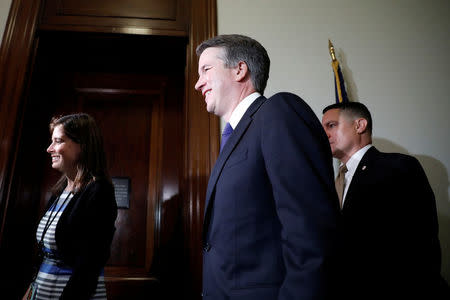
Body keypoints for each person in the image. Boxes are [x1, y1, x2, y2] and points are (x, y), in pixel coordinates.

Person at [195, 34, 340, 299]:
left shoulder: (278, 112)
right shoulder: (235, 137)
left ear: (240, 69)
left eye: (206, 69)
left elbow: (310, 234)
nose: (197, 83)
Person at [321, 102, 447, 299]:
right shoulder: (330, 182)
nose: (324, 134)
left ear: (359, 125)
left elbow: (420, 242)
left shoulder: (398, 167)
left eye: (331, 125)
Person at [23, 113, 118, 300]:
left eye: (58, 141)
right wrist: (31, 290)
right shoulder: (59, 192)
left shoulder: (99, 191)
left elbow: (90, 264)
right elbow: (45, 255)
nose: (49, 149)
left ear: (83, 145)